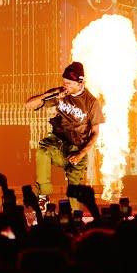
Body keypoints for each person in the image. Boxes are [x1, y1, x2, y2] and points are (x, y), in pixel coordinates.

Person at [25, 62, 105, 213]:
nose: (65, 85)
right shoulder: (60, 94)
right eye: (64, 82)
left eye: (69, 83)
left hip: (77, 149)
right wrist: (50, 94)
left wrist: (81, 154)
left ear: (80, 82)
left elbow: (95, 133)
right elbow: (28, 105)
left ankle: (76, 219)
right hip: (59, 144)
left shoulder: (91, 102)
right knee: (43, 151)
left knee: (74, 195)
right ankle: (43, 195)